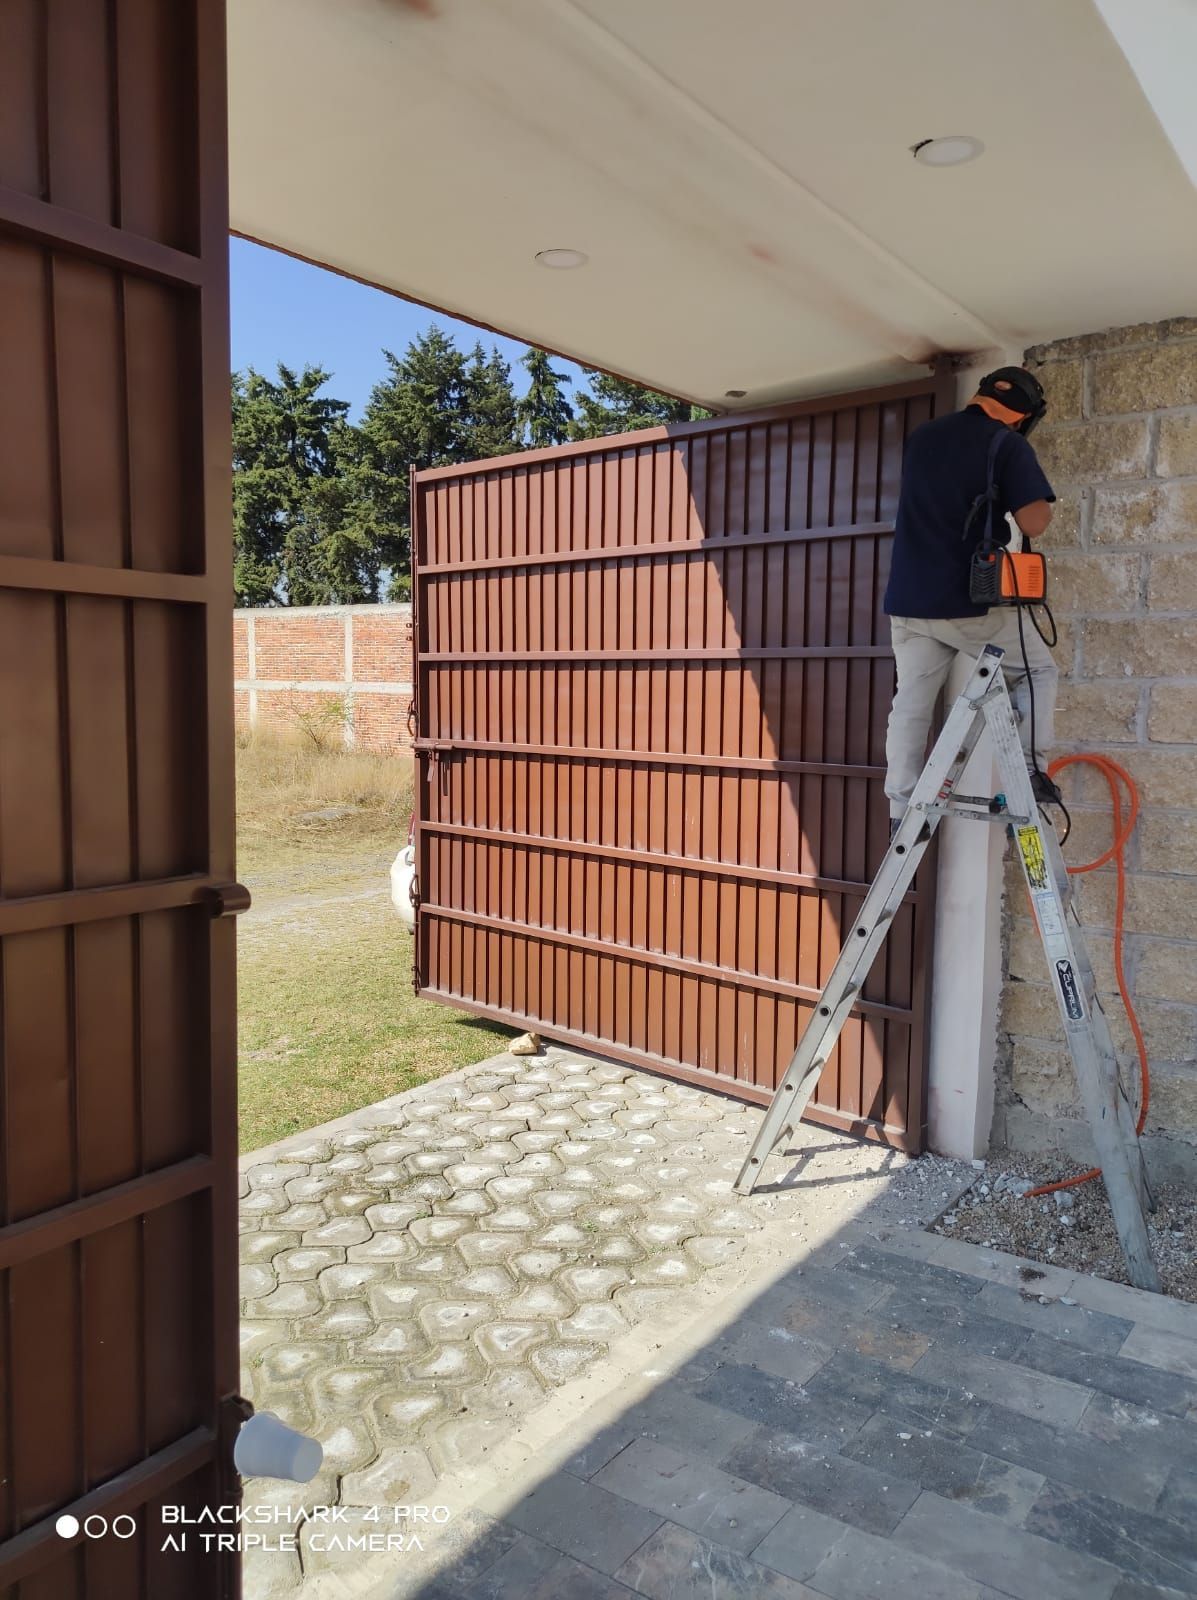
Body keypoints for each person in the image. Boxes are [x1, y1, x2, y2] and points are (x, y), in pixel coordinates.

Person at [883, 366, 1061, 836]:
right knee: (1038, 670)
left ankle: (901, 809)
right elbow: (1036, 521)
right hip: (966, 601)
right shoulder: (1006, 443)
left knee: (912, 704)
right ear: (1024, 414)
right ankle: (1031, 777)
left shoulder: (924, 437)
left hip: (908, 598)